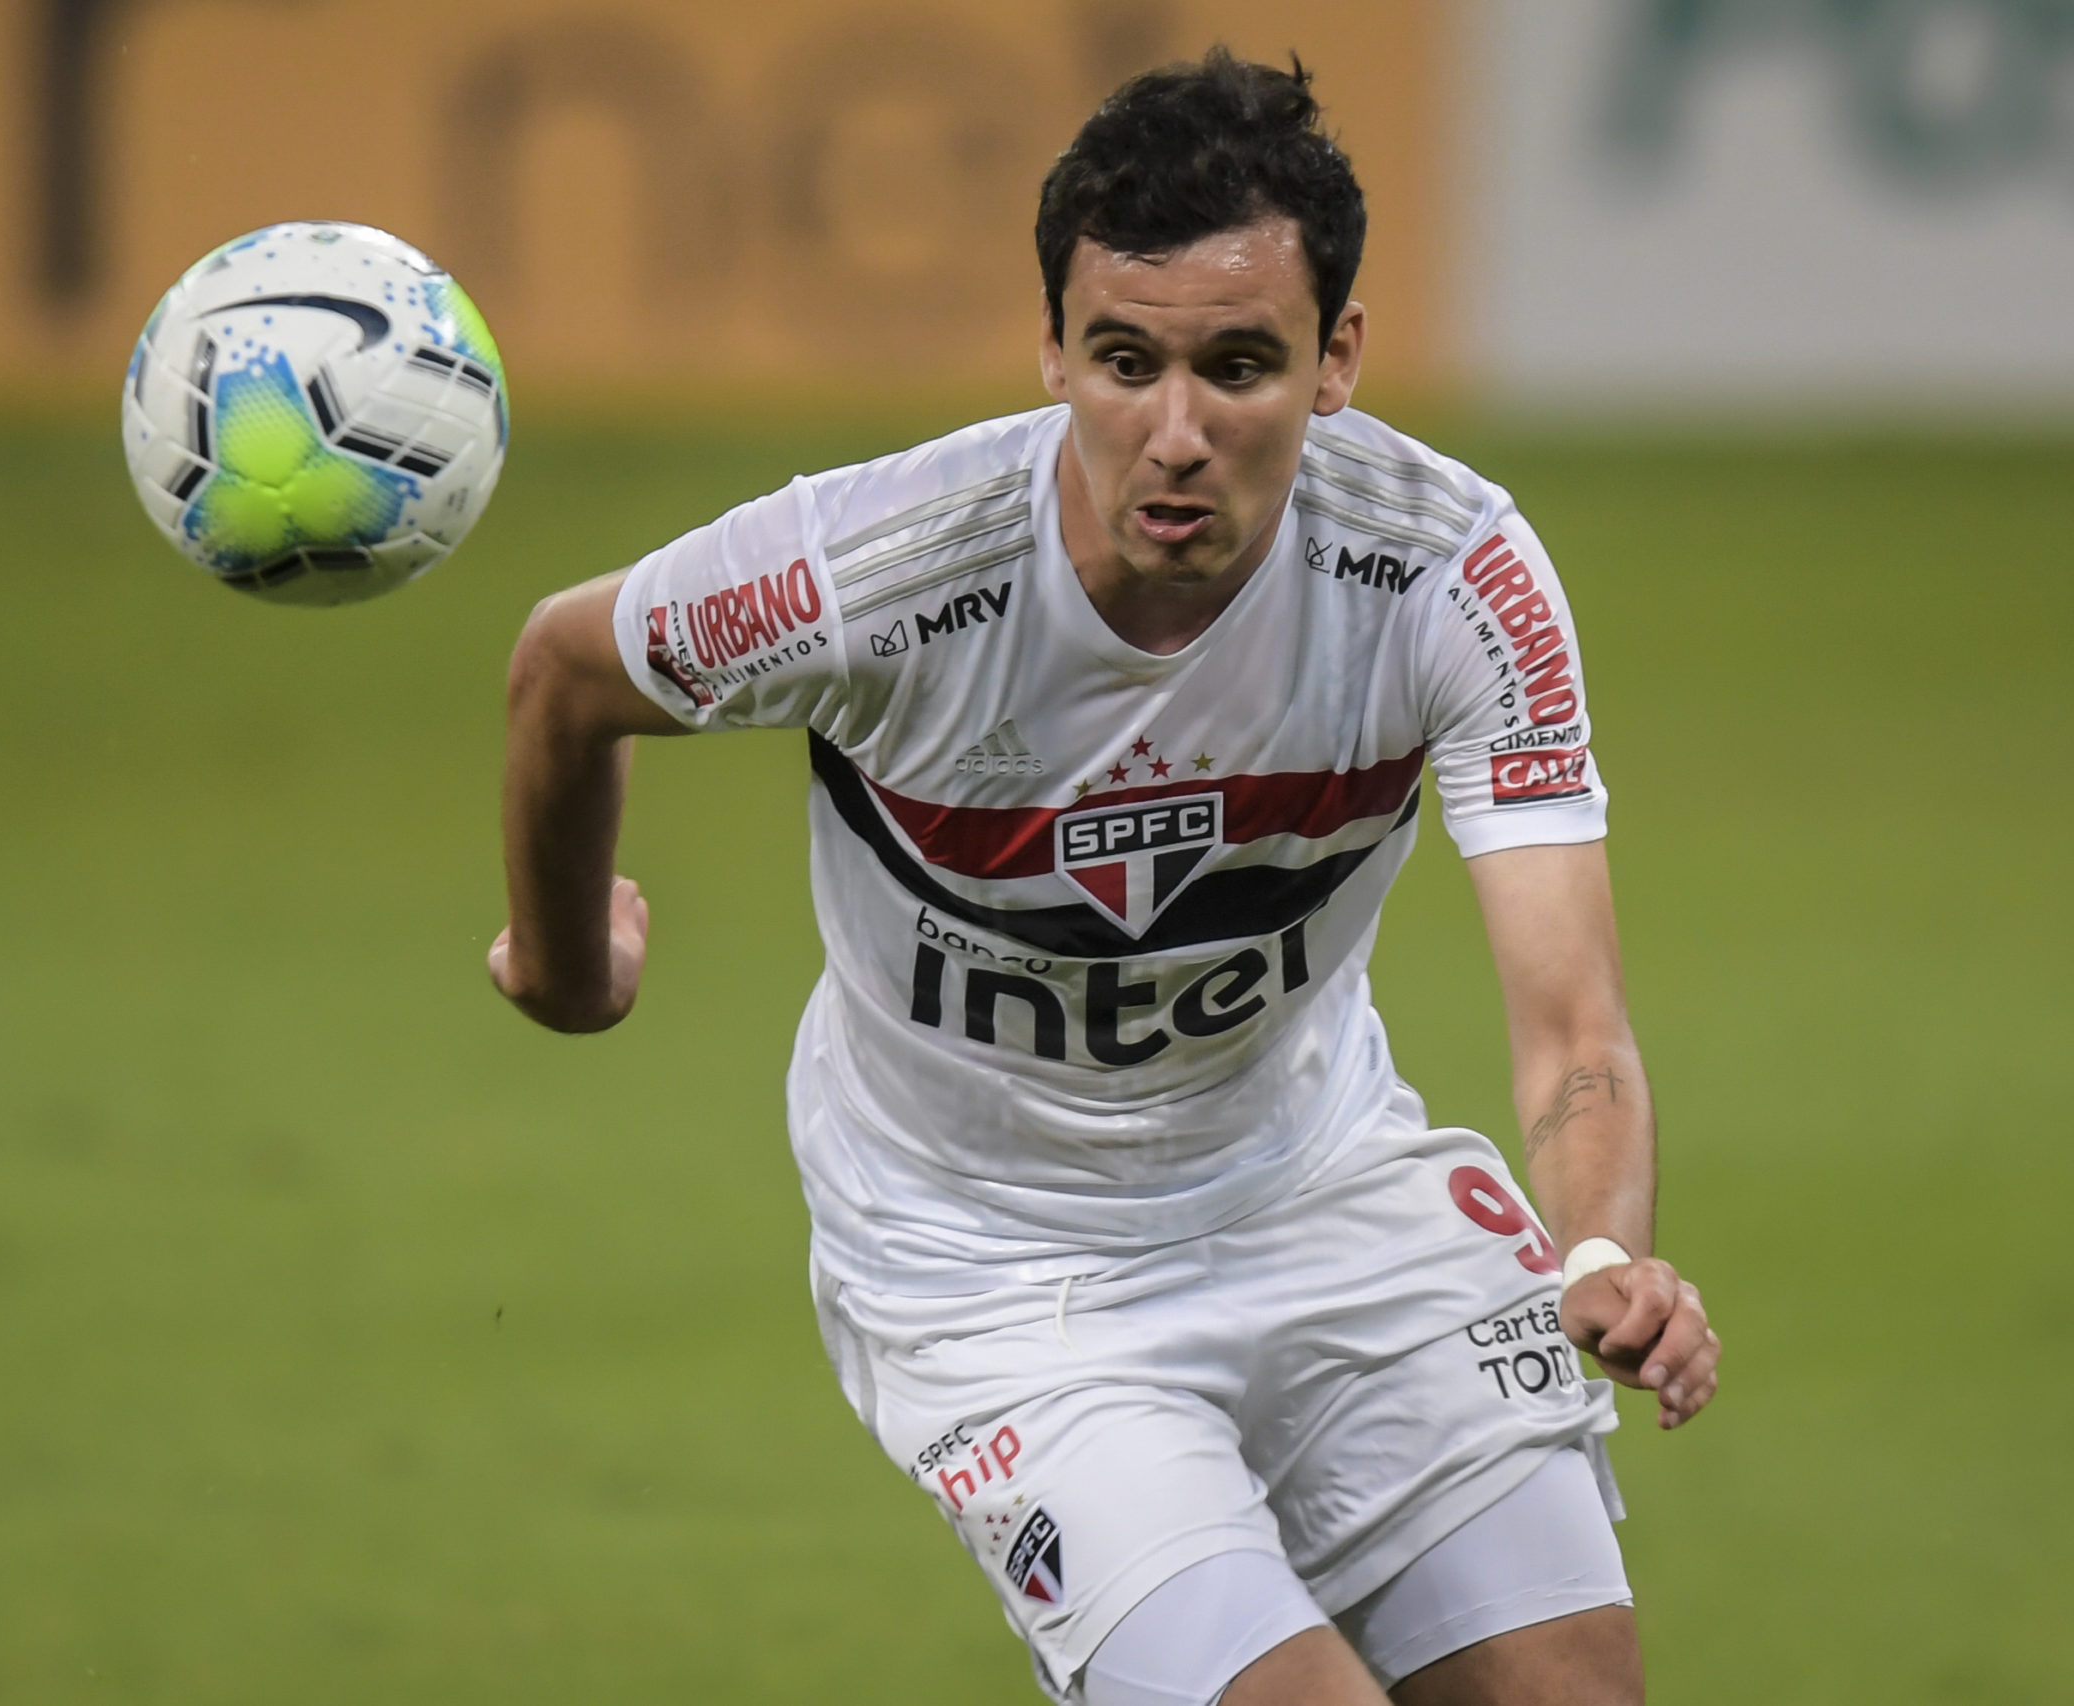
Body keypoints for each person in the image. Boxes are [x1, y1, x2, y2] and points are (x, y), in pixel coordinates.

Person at [487, 47, 1719, 1706]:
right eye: (1126, 362)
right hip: (991, 1271)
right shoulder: (879, 571)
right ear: (1052, 348)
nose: (1176, 435)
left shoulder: (1452, 574)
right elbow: (566, 669)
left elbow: (1575, 1023)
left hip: (1323, 1190)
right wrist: (565, 967)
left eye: (1240, 366)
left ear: (1339, 359)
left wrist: (1597, 1254)